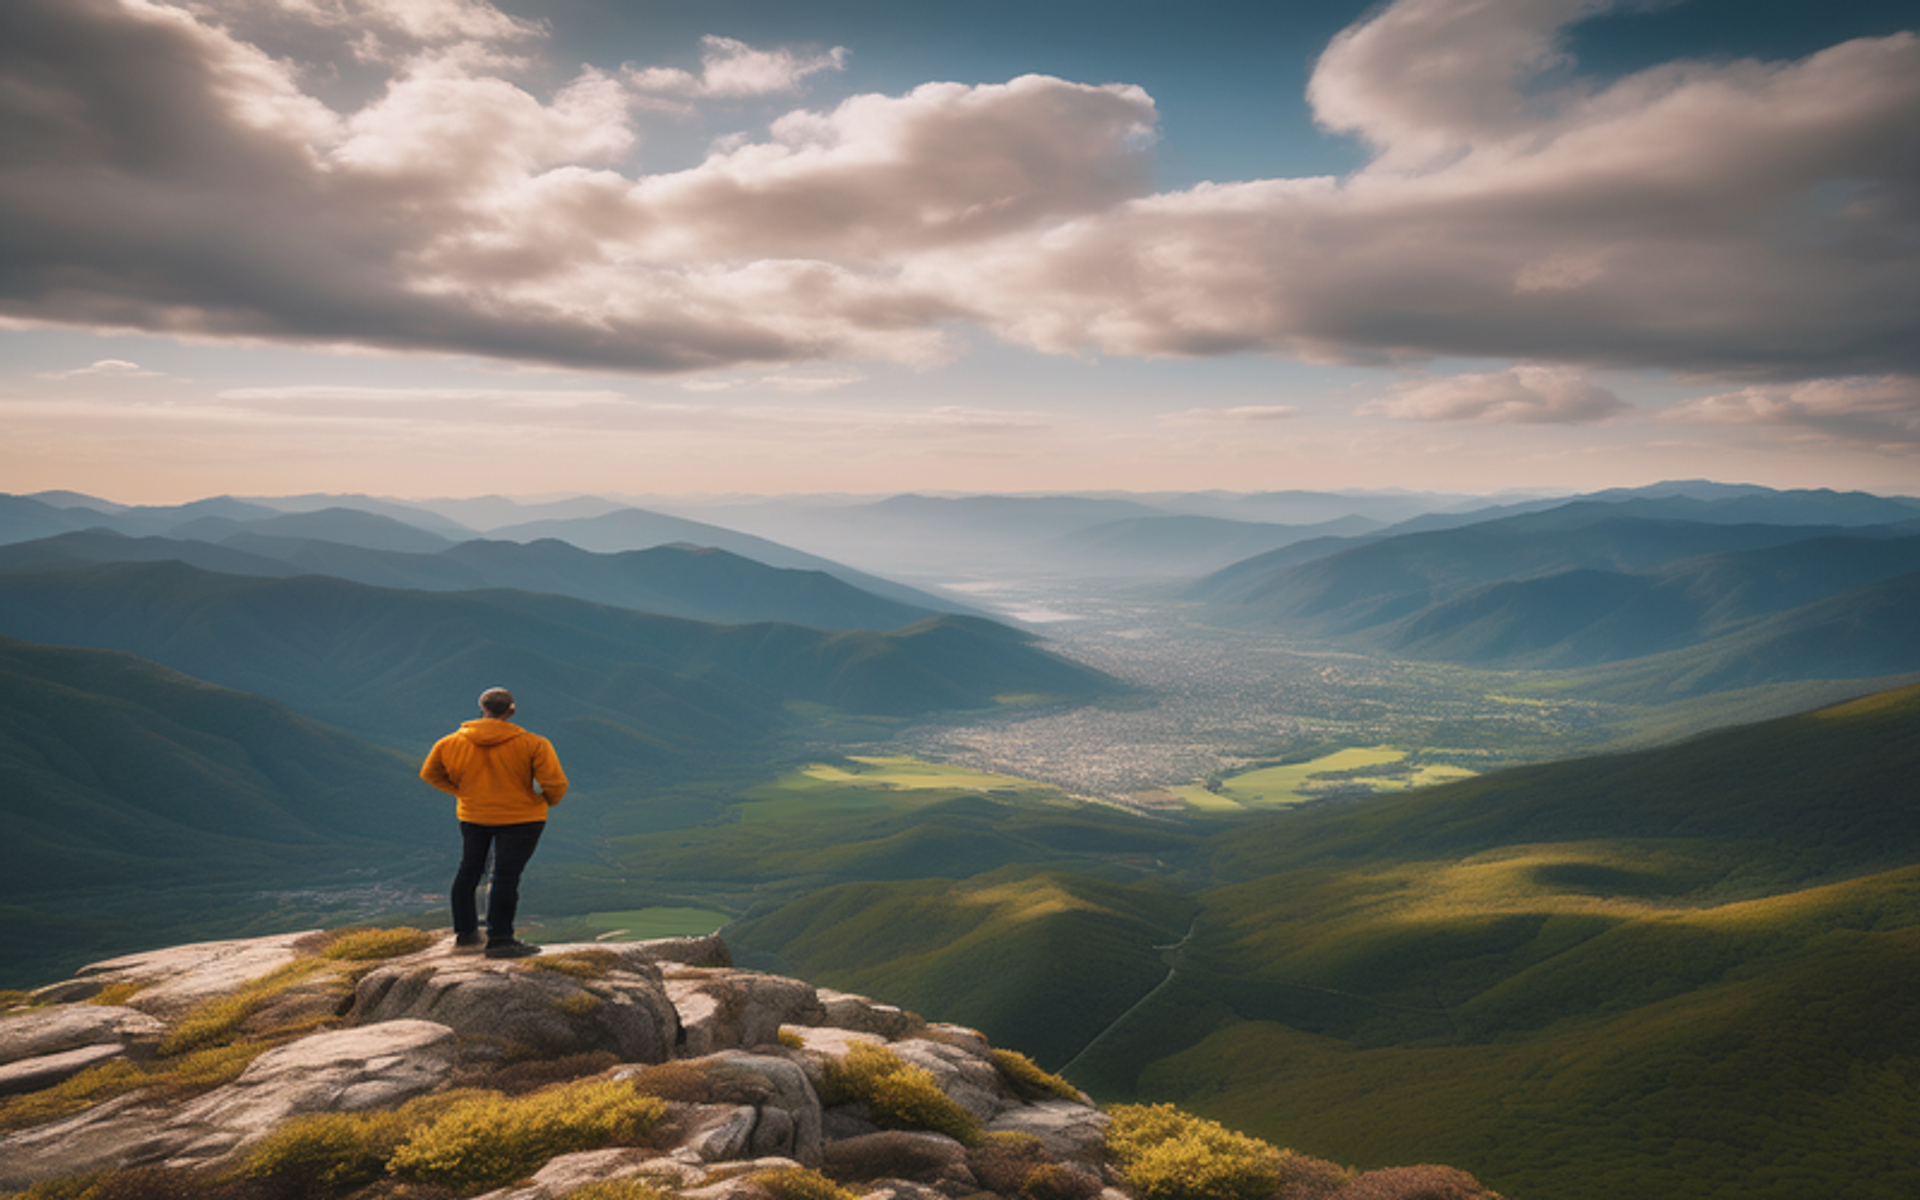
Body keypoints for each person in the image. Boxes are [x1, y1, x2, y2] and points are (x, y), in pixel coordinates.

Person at [420, 687, 568, 959]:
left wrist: (462, 792)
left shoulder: (449, 743)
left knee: (469, 870)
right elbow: (555, 783)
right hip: (522, 818)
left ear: (482, 708)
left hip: (474, 815)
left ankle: (466, 934)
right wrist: (546, 801)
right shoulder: (534, 743)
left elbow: (429, 773)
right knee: (505, 876)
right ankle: (500, 939)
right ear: (511, 710)